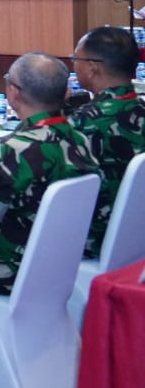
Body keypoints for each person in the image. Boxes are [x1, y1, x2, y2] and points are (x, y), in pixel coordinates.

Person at [0, 53, 100, 294]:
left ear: (13, 93)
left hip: (9, 271)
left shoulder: (10, 151)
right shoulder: (81, 139)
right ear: (66, 93)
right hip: (61, 261)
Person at [68, 27, 145, 257]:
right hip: (136, 231)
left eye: (76, 58)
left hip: (98, 238)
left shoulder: (85, 122)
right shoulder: (139, 108)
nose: (73, 64)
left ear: (92, 67)